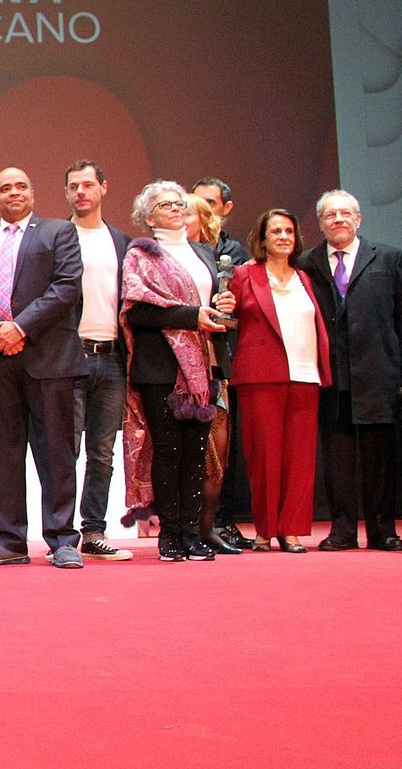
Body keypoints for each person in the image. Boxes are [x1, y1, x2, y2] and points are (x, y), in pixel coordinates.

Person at [0, 167, 85, 568]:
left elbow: (66, 286)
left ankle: (62, 539)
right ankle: (10, 539)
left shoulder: (59, 232)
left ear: (33, 193)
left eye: (21, 186)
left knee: (56, 455)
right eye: (5, 188)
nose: (14, 193)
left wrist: (21, 328)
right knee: (3, 455)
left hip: (49, 359)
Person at [118, 182, 236, 562]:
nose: (174, 208)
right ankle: (170, 536)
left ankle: (193, 532)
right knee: (168, 450)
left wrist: (222, 303)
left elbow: (209, 302)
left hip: (202, 367)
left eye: (179, 203)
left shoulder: (204, 251)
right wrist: (192, 316)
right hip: (160, 366)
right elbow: (137, 311)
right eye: (164, 204)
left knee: (195, 452)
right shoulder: (140, 255)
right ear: (148, 216)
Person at [298, 190, 402, 551]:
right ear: (320, 223)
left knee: (379, 459)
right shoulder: (307, 262)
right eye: (330, 215)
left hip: (378, 373)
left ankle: (383, 530)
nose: (338, 219)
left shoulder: (388, 257)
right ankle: (342, 530)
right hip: (331, 376)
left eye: (345, 213)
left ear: (358, 219)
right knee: (337, 462)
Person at [229, 209, 330, 552]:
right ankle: (265, 529)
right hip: (261, 376)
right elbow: (228, 313)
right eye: (276, 231)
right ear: (262, 238)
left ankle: (291, 529)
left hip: (304, 374)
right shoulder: (245, 274)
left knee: (300, 457)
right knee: (264, 456)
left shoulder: (304, 278)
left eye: (289, 231)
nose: (284, 236)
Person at [64, 160, 134, 561]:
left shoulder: (121, 242)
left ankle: (93, 533)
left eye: (88, 185)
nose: (81, 193)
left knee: (103, 453)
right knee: (67, 449)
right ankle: (62, 534)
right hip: (70, 356)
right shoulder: (56, 237)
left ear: (104, 188)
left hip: (111, 358)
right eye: (74, 186)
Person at [192, 176, 254, 551]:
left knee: (223, 449)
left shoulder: (236, 254)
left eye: (209, 205)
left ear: (225, 209)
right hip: (182, 362)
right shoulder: (173, 252)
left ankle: (222, 521)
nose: (201, 212)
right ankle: (190, 525)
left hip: (224, 361)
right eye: (193, 205)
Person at [184, 193, 242, 554]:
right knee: (184, 454)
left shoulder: (216, 263)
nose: (179, 216)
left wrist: (228, 304)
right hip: (177, 369)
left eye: (187, 212)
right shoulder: (159, 258)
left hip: (214, 364)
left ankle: (208, 527)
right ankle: (184, 529)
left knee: (217, 456)